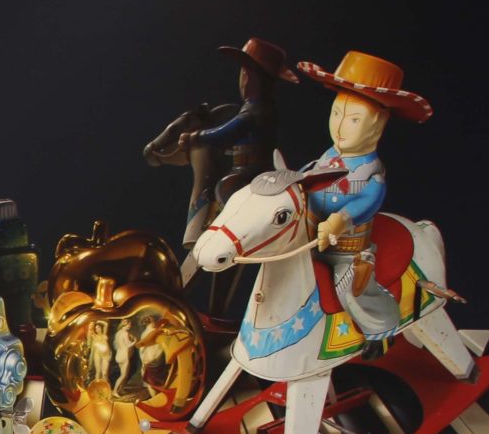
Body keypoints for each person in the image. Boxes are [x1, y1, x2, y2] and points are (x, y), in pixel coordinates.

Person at [292, 50, 434, 353]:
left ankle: (379, 329)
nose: (340, 126)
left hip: (346, 248)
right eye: (336, 114)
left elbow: (368, 202)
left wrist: (341, 219)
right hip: (308, 236)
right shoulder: (327, 157)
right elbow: (308, 175)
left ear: (378, 126)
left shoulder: (371, 173)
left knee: (352, 287)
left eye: (354, 119)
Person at [179, 38, 298, 211]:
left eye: (244, 71)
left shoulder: (254, 110)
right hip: (259, 167)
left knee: (225, 188)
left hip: (247, 170)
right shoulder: (264, 108)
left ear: (250, 76)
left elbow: (229, 131)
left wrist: (197, 136)